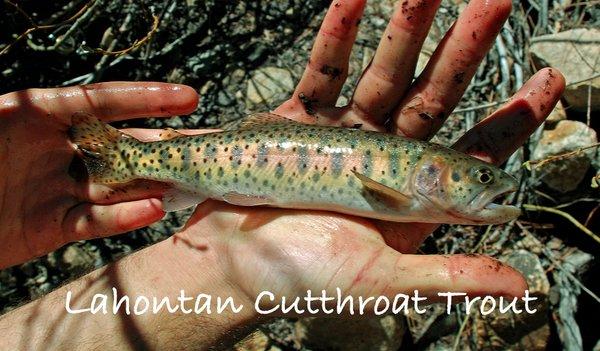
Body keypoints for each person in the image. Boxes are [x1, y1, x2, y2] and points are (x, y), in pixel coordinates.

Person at [0, 0, 564, 349]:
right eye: (482, 179)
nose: (492, 186)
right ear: (443, 174)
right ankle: (125, 159)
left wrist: (224, 275)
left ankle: (128, 160)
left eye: (485, 182)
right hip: (220, 166)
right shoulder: (409, 191)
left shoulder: (415, 193)